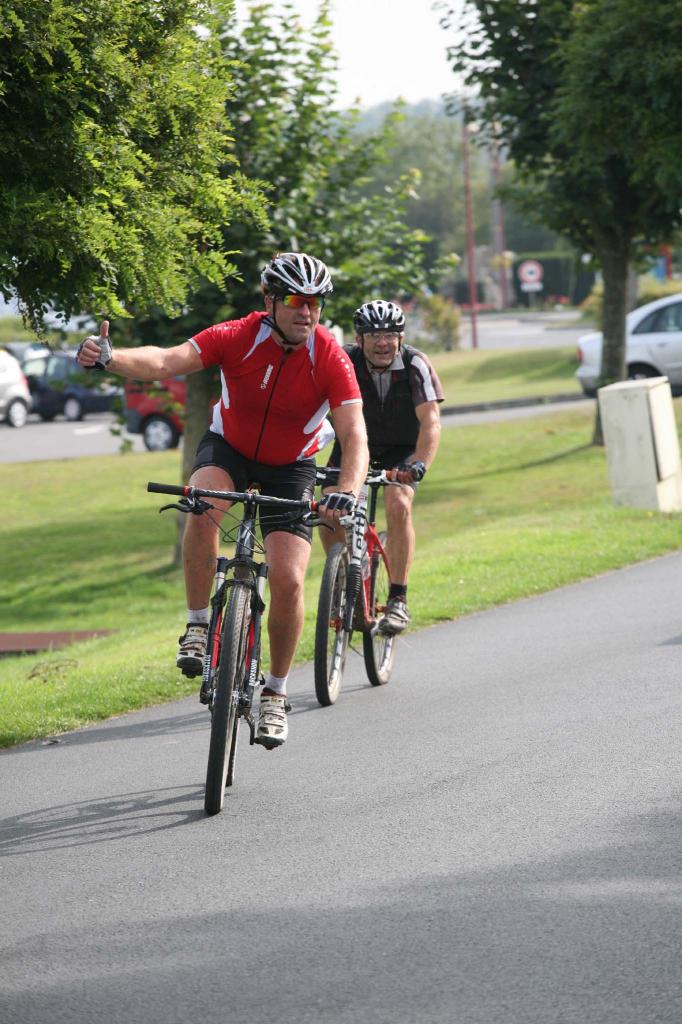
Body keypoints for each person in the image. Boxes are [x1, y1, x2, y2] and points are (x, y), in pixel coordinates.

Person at [77, 252, 369, 749]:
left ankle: (275, 695)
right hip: (228, 448)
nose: (308, 312)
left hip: (290, 466)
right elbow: (168, 360)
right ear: (270, 300)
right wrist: (110, 357)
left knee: (289, 578)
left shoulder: (331, 357)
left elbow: (354, 434)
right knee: (201, 504)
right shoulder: (236, 335)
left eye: (316, 303)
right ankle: (196, 626)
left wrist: (346, 489)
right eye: (297, 301)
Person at [321, 299, 443, 634]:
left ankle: (398, 598)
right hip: (352, 449)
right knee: (328, 509)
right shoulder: (343, 360)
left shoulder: (415, 363)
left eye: (390, 334)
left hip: (401, 453)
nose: (382, 342)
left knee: (398, 503)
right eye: (373, 334)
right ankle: (343, 580)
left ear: (400, 338)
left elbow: (430, 420)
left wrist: (419, 463)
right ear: (358, 339)